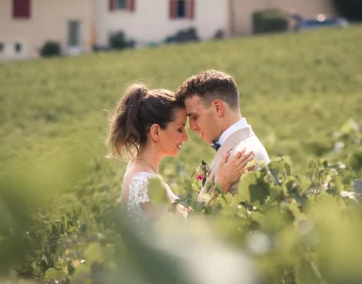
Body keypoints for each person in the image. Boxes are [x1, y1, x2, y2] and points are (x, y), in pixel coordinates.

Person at [107, 83, 253, 223]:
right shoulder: (145, 184)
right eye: (179, 129)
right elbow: (188, 234)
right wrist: (222, 184)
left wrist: (211, 181)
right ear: (156, 132)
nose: (186, 137)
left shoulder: (139, 169)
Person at [176, 70, 269, 200]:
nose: (191, 127)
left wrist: (220, 186)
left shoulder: (241, 156)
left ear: (218, 108)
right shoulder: (239, 149)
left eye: (195, 117)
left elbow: (208, 219)